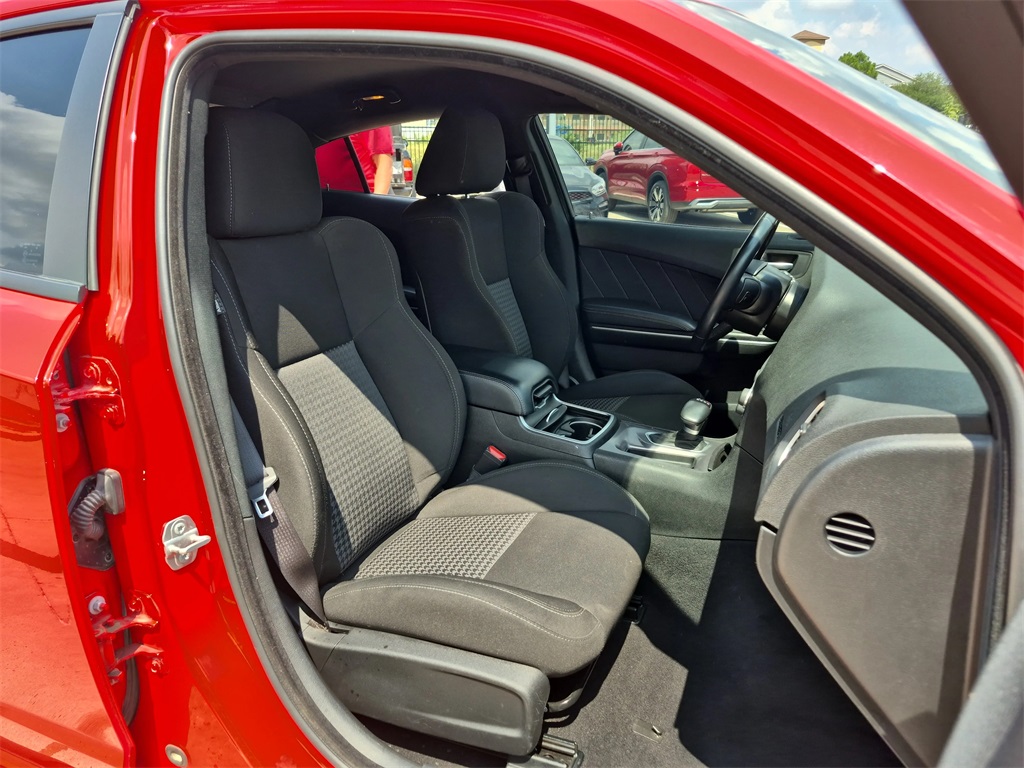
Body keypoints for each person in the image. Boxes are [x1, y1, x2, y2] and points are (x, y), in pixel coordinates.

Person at [315, 126, 394, 194]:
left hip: (361, 199)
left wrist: (376, 205)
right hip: (322, 197)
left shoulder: (366, 114)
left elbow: (384, 162)